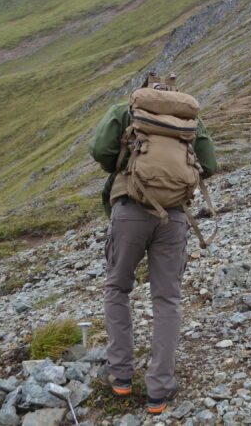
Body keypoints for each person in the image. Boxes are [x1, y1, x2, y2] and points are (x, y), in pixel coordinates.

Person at [89, 73, 218, 414]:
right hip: (174, 216)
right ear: (173, 94)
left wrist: (124, 168)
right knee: (167, 299)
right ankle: (160, 390)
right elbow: (211, 165)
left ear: (145, 89)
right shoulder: (189, 120)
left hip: (130, 210)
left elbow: (99, 150)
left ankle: (120, 377)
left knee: (118, 288)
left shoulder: (125, 110)